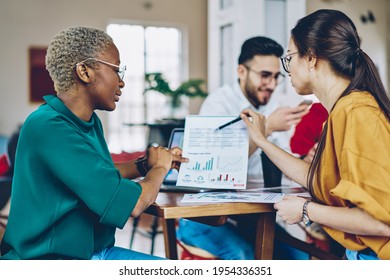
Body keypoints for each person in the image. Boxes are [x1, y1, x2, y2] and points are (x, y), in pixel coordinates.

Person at [0, 26, 187, 260]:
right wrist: (160, 168)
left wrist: (143, 165)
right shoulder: (49, 127)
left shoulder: (86, 121)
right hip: (52, 261)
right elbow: (134, 205)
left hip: (95, 253)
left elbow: (99, 174)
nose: (122, 82)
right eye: (117, 70)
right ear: (84, 71)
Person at [241, 9, 390, 260]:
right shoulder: (342, 110)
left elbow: (380, 221)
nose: (287, 71)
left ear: (311, 59)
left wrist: (306, 209)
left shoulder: (359, 114)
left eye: (289, 58)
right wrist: (261, 140)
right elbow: (316, 177)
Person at [177, 36, 311, 260]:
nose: (272, 84)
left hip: (254, 217)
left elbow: (284, 163)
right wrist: (266, 127)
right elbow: (214, 171)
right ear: (241, 71)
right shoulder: (218, 104)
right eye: (264, 75)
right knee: (245, 257)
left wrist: (305, 159)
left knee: (299, 259)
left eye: (276, 76)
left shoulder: (276, 105)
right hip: (206, 218)